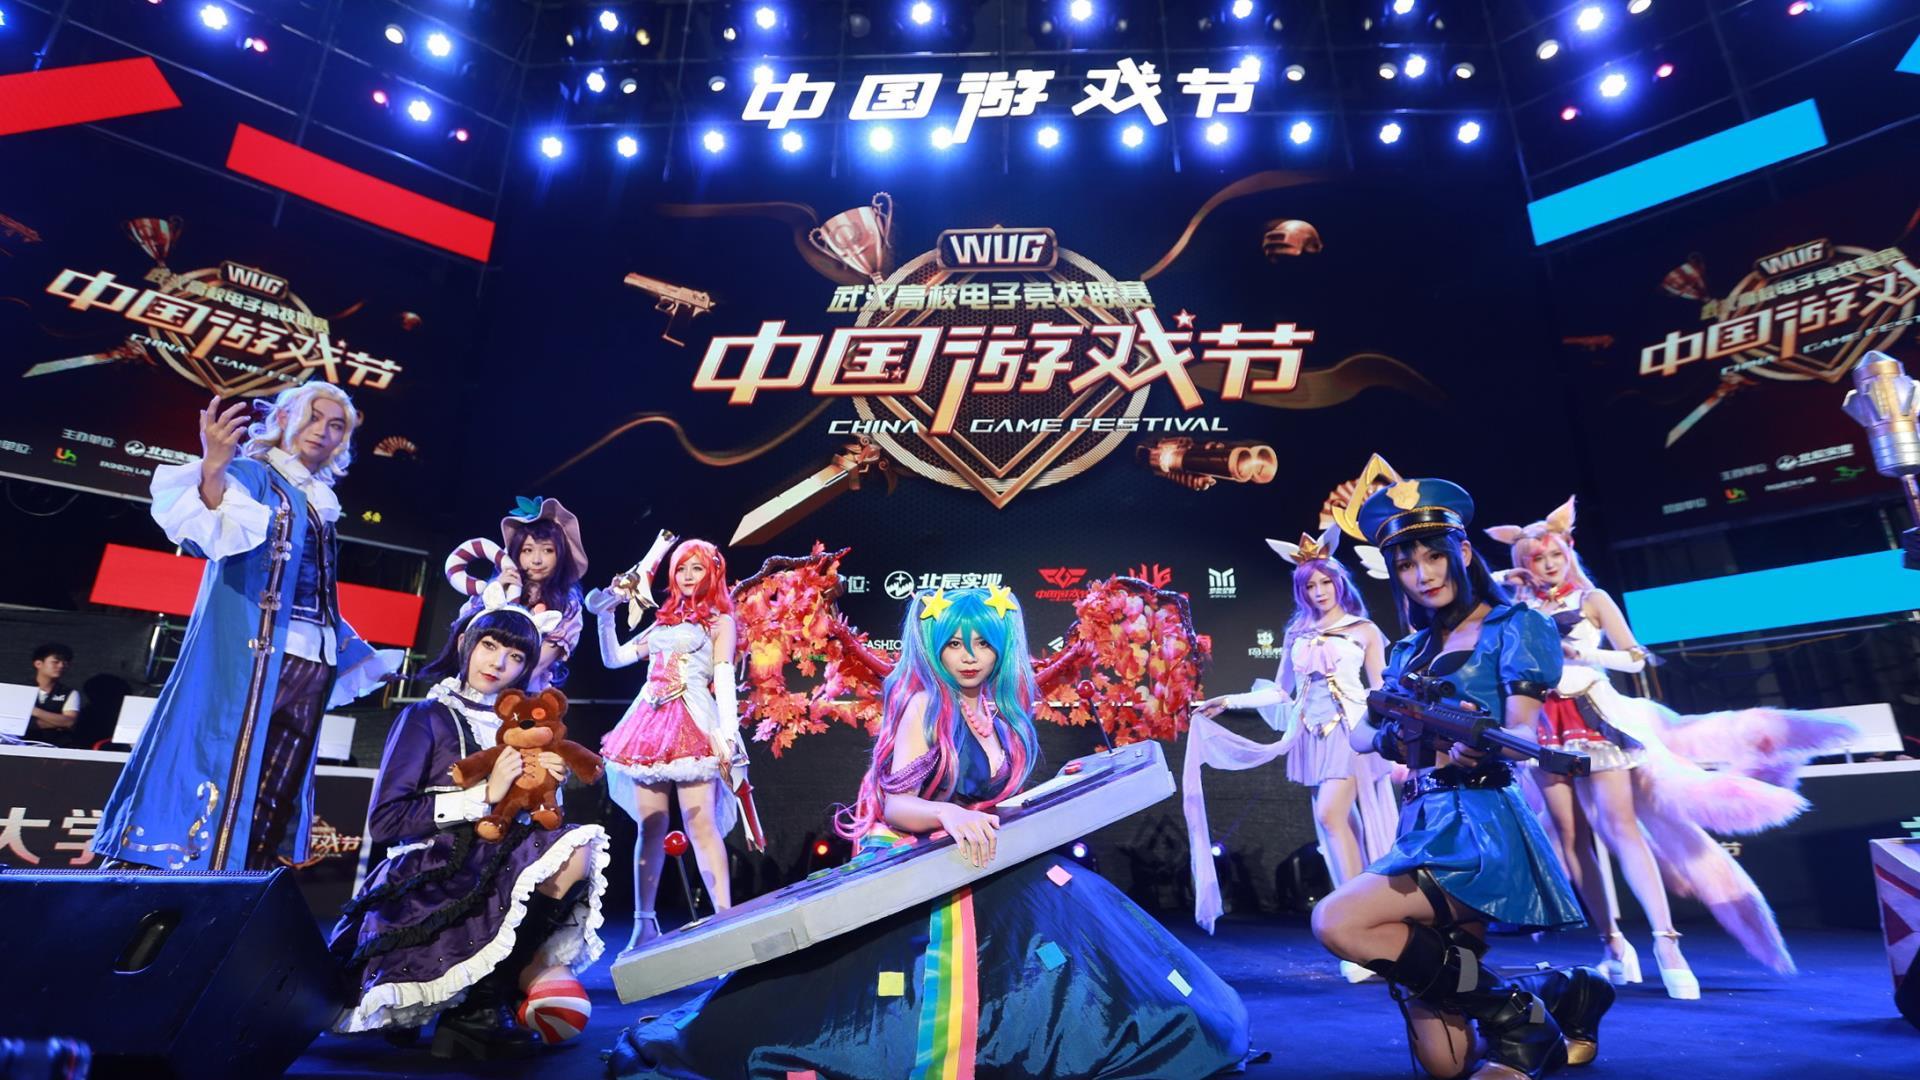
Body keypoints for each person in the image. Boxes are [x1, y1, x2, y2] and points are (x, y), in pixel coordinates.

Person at [609, 585, 1249, 1078]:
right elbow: (894, 803)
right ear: (933, 647)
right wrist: (947, 815)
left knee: (1086, 926)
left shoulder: (1002, 709)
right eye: (954, 644)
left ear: (1001, 648)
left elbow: (992, 798)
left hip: (991, 854)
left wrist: (1057, 787)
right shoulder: (923, 704)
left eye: (983, 644)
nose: (969, 657)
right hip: (922, 860)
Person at [1311, 477, 1611, 1080]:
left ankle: (1518, 1017)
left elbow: (1521, 729)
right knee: (1446, 1066)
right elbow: (1361, 737)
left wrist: (1480, 740)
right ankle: (1553, 993)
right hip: (1420, 823)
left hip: (1480, 827)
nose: (1423, 575)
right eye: (1406, 564)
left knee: (1335, 920)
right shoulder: (1406, 652)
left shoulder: (1515, 625)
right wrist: (1402, 733)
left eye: (1434, 556)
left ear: (1464, 552)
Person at [1489, 496, 1851, 993]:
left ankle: (1667, 942)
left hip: (1595, 716)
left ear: (1568, 551)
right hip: (1545, 724)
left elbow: (1636, 658)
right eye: (1536, 558)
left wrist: (1585, 655)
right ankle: (1612, 945)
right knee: (1570, 840)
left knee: (1620, 828)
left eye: (1555, 555)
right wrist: (1510, 590)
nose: (1549, 565)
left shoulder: (1593, 599)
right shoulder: (1520, 608)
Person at [94, 386, 399, 871]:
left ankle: (244, 883)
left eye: (336, 424)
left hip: (312, 662)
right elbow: (209, 533)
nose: (322, 430)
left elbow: (313, 589)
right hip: (253, 657)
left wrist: (354, 652)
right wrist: (214, 467)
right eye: (313, 417)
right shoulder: (255, 475)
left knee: (277, 788)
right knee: (222, 763)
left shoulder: (319, 499)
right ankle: (184, 880)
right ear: (284, 417)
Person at [330, 606, 610, 1060]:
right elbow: (386, 821)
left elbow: (537, 822)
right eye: (490, 646)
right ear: (465, 644)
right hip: (436, 865)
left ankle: (485, 1001)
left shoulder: (521, 726)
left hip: (498, 857)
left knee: (579, 848)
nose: (498, 663)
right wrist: (486, 794)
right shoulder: (427, 716)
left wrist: (548, 789)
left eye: (516, 657)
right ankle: (476, 1008)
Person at [1194, 525, 1396, 981]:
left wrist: (1392, 739)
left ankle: (1356, 925)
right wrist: (1230, 700)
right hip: (1312, 734)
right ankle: (1367, 927)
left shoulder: (1364, 630)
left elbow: (1382, 688)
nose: (1319, 591)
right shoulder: (1296, 633)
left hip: (1352, 731)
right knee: (1343, 825)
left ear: (1339, 583)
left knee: (1330, 816)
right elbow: (1281, 692)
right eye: (1310, 586)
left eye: (1325, 582)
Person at [591, 537, 748, 949]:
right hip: (648, 724)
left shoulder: (720, 622)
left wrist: (728, 734)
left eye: (697, 568)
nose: (688, 576)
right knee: (651, 825)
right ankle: (644, 923)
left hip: (693, 721)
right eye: (681, 568)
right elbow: (614, 659)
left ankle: (724, 922)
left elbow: (724, 678)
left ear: (713, 573)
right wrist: (605, 616)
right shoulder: (662, 622)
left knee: (701, 825)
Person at [457, 498, 587, 694]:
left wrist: (500, 698)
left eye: (548, 550)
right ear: (516, 554)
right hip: (474, 685)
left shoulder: (568, 604)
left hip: (521, 695)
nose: (536, 560)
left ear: (560, 555)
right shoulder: (499, 588)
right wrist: (494, 590)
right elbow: (465, 633)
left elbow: (539, 663)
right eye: (527, 550)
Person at [27, 643, 84, 748]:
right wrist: (56, 723)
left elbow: (69, 721)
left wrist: (34, 711)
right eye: (55, 662)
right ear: (38, 664)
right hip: (21, 744)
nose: (61, 666)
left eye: (65, 662)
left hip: (57, 747)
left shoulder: (69, 693)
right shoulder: (21, 689)